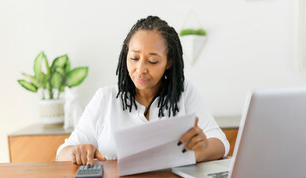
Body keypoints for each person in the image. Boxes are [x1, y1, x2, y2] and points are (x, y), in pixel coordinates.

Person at [57, 16, 229, 166]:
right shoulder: (105, 98)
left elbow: (221, 143)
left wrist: (201, 150)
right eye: (134, 58)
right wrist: (76, 152)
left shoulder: (184, 92)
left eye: (153, 61)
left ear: (168, 62)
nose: (140, 69)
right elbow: (62, 153)